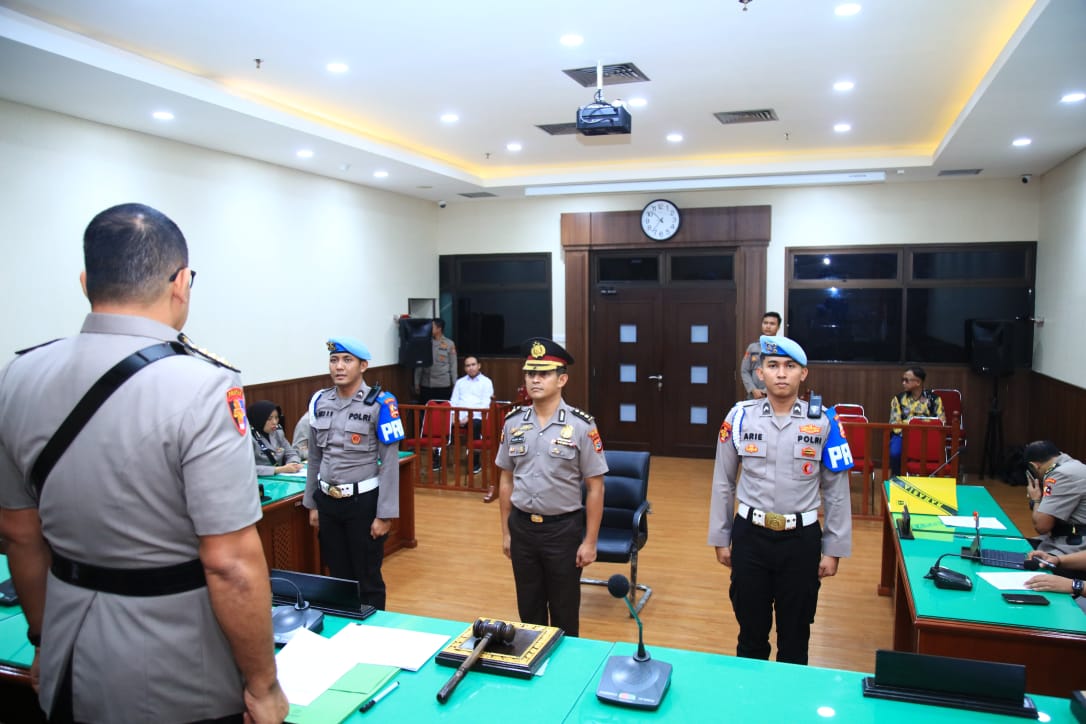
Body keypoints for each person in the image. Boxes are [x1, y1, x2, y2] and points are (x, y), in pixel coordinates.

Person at [0, 203, 287, 722]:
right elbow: (230, 562)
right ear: (181, 282)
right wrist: (263, 686)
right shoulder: (204, 385)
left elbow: (19, 533)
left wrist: (43, 640)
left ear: (86, 281)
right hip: (174, 669)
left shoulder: (18, 375)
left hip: (66, 655)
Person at [708, 335, 853, 665]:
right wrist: (720, 538)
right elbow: (723, 482)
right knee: (750, 636)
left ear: (804, 374)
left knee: (795, 638)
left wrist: (833, 549)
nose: (782, 373)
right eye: (773, 366)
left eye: (790, 366)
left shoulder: (826, 422)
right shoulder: (739, 418)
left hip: (801, 541)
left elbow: (836, 491)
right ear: (760, 373)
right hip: (750, 537)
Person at [496, 338, 607, 637]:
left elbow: (595, 487)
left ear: (562, 379)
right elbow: (506, 478)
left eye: (543, 373)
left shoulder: (583, 426)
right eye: (530, 373)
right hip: (522, 528)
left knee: (564, 613)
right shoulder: (513, 423)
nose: (535, 379)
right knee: (528, 611)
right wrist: (506, 532)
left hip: (562, 531)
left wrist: (591, 541)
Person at [303, 337, 405, 610]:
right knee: (337, 578)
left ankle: (373, 637)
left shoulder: (382, 403)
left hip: (363, 504)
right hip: (327, 502)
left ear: (363, 366)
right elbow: (315, 457)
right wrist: (312, 504)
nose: (339, 366)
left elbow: (390, 462)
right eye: (334, 360)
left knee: (367, 579)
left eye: (347, 360)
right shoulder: (319, 402)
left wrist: (385, 515)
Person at [1023, 440, 1086, 556]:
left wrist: (1036, 499)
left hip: (1077, 547)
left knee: (1021, 556)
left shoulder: (1060, 475)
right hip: (1070, 536)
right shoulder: (1072, 465)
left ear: (1034, 465)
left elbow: (1042, 526)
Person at [413, 318, 456, 470]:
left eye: (431, 326)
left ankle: (442, 446)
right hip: (427, 385)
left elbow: (453, 365)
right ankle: (428, 445)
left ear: (439, 328)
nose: (429, 329)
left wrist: (454, 384)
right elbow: (419, 365)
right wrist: (416, 382)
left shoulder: (449, 344)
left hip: (443, 385)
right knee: (426, 417)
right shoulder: (425, 343)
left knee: (442, 417)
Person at [888, 365, 945, 476]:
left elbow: (941, 422)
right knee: (895, 453)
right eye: (902, 380)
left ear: (918, 382)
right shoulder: (898, 399)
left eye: (906, 380)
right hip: (903, 435)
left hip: (927, 436)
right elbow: (895, 423)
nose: (903, 383)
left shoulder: (934, 400)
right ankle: (896, 478)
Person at [449, 355, 495, 488]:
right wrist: (453, 416)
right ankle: (437, 458)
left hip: (478, 417)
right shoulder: (460, 382)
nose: (471, 368)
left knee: (473, 424)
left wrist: (468, 417)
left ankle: (475, 461)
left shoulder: (486, 382)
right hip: (459, 415)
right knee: (442, 423)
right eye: (468, 365)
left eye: (473, 364)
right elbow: (453, 401)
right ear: (465, 368)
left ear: (479, 366)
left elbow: (485, 405)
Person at [248, 400, 303, 476]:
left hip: (281, 479)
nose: (274, 422)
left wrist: (293, 464)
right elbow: (247, 469)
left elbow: (291, 453)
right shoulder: (249, 438)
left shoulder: (278, 432)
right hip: (261, 481)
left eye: (276, 418)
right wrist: (279, 469)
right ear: (259, 419)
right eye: (269, 419)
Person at [740, 311, 781, 399]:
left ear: (778, 327)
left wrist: (766, 391)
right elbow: (744, 371)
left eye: (772, 324)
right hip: (753, 396)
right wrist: (753, 389)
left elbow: (782, 373)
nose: (768, 326)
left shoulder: (782, 349)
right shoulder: (752, 347)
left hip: (774, 395)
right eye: (765, 323)